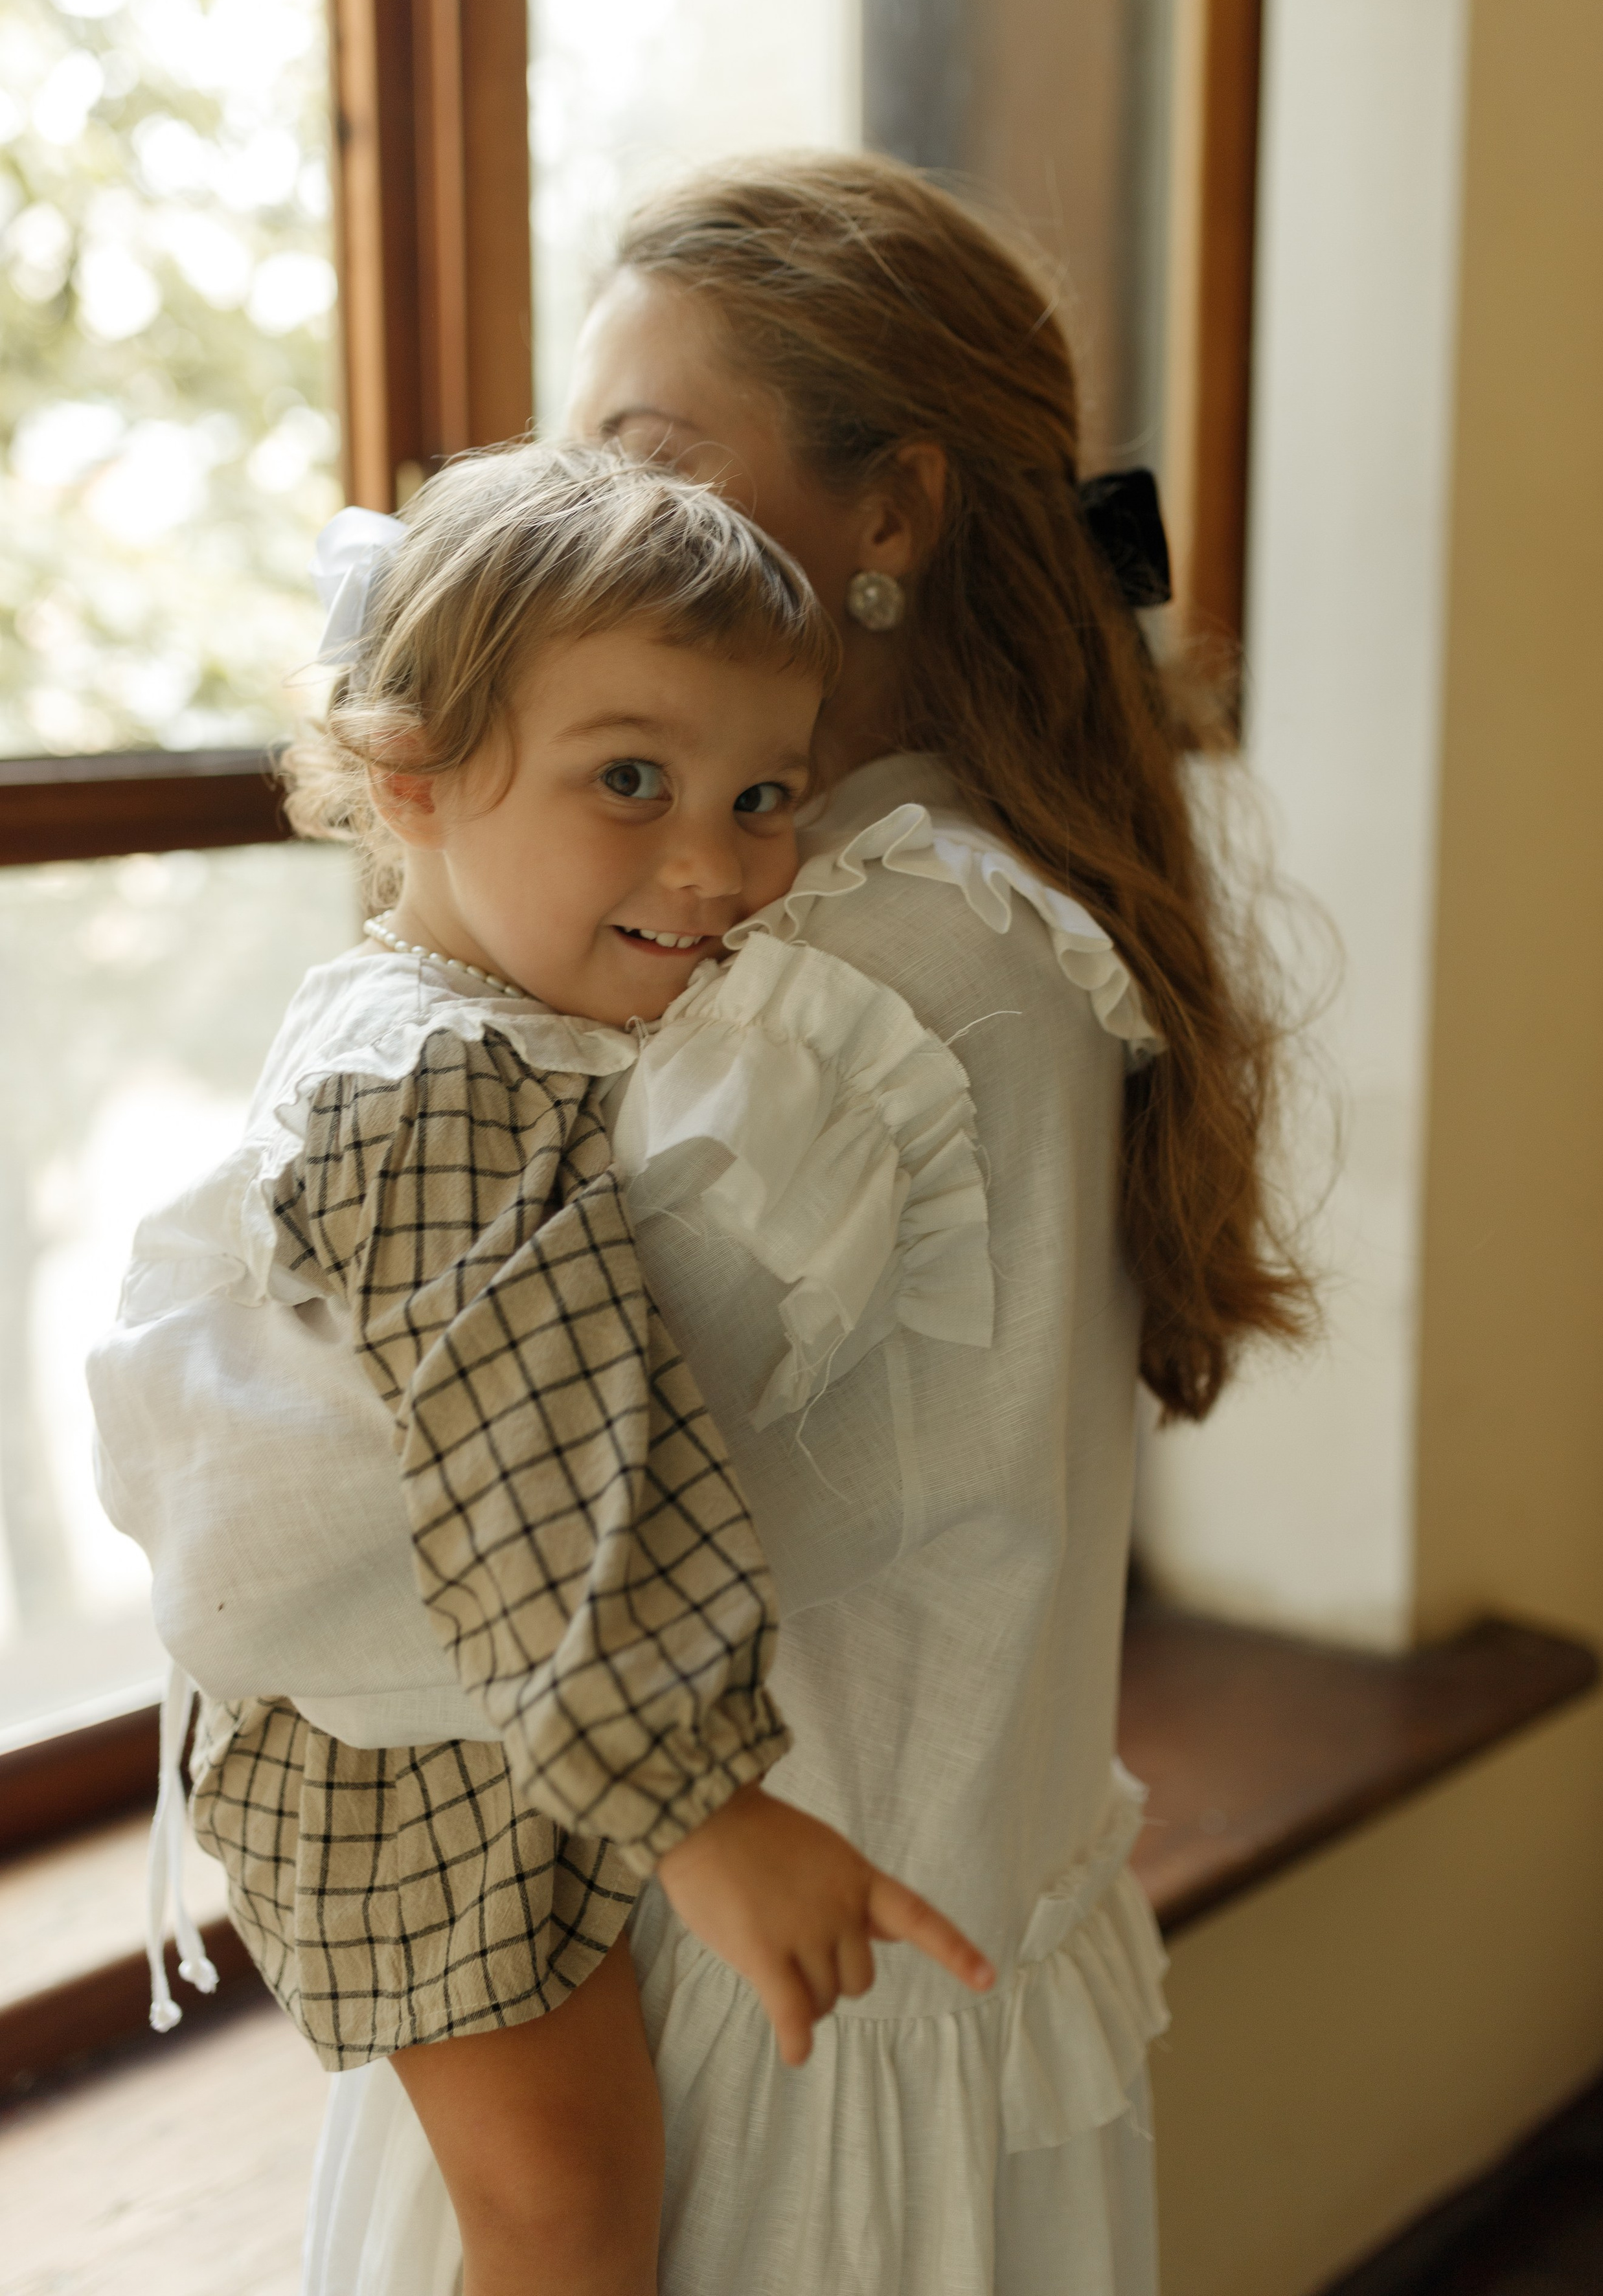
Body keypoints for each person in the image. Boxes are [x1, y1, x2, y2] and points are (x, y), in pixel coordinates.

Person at [294, 150, 1313, 2296]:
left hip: (748, 2036)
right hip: (834, 1976)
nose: (587, 521)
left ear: (896, 517)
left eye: (650, 457)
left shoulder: (867, 981)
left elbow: (372, 1516)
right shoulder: (867, 909)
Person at [88, 441, 994, 2296]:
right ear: (409, 777)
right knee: (562, 2214)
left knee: (576, 2200)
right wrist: (705, 1806)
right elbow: (534, 1429)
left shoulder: (484, 1011)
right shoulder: (435, 1087)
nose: (717, 861)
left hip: (475, 1707)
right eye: (631, 780)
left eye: (765, 793)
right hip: (397, 1758)